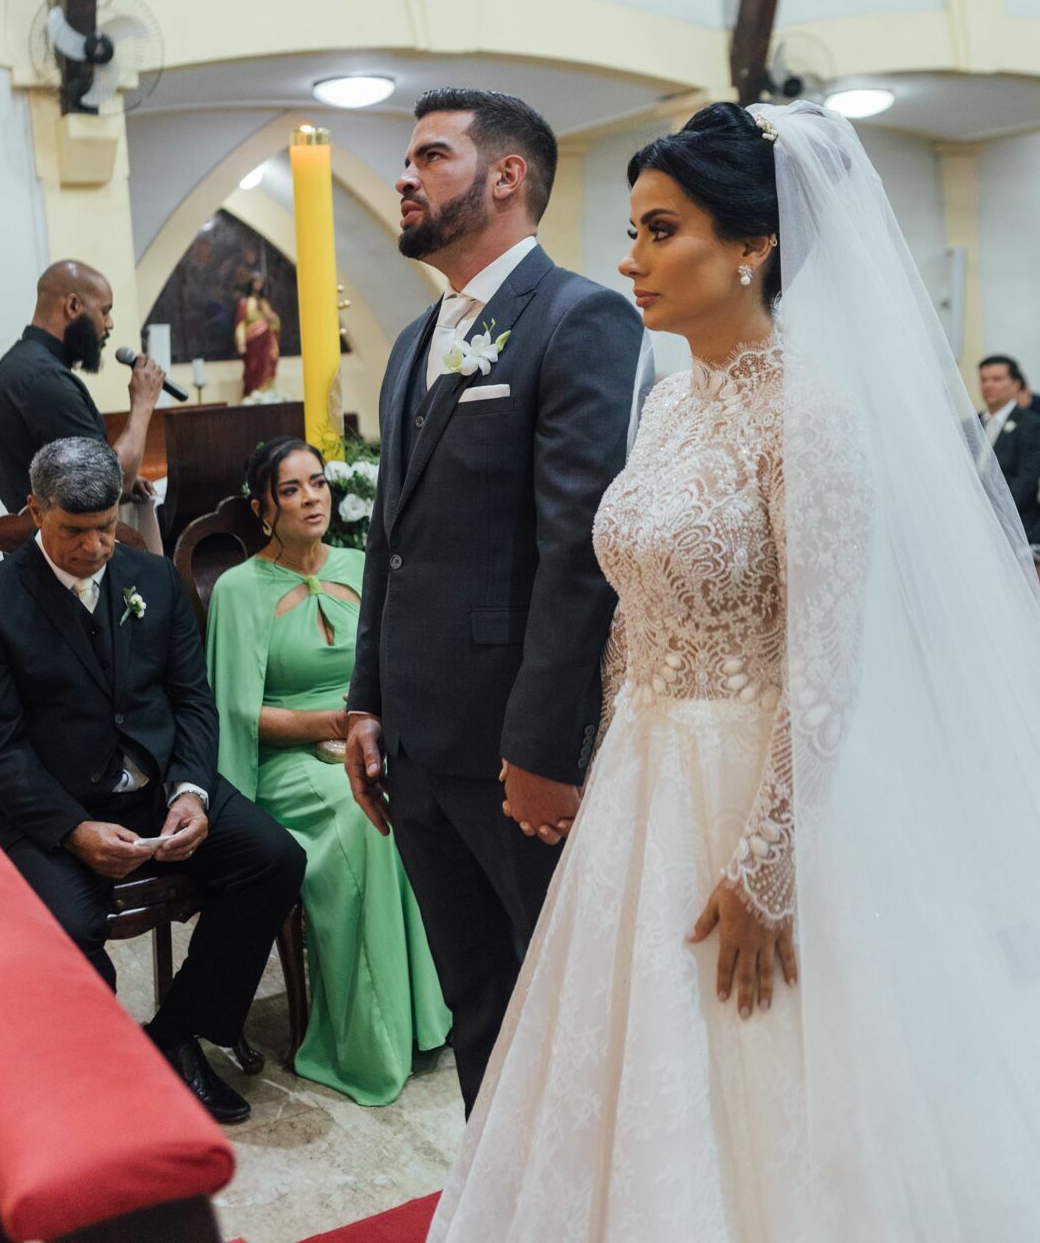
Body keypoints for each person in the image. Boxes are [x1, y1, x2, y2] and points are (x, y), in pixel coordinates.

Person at [429, 101, 1040, 1242]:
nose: (630, 257)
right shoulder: (665, 404)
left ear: (751, 244)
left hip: (763, 784)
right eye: (631, 230)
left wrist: (766, 863)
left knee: (763, 1073)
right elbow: (630, 604)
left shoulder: (809, 414)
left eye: (661, 230)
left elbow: (824, 659)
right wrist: (603, 751)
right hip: (641, 779)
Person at [345, 87, 650, 1115]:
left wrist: (542, 751)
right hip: (418, 746)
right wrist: (363, 699)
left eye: (429, 155)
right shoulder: (411, 341)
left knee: (560, 1006)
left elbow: (579, 553)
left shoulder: (578, 317)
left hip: (515, 753)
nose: (403, 174)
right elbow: (387, 541)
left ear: (504, 176)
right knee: (478, 1001)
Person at [0, 437, 305, 1125]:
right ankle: (102, 1079)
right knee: (67, 927)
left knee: (273, 860)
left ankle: (178, 1033)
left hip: (157, 786)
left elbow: (191, 699)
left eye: (104, 528)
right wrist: (72, 829)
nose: (97, 548)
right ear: (36, 510)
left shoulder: (151, 578)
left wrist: (190, 791)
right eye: (75, 531)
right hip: (48, 805)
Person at [205, 437, 450, 1104]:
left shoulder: (359, 564)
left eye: (317, 483)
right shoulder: (237, 589)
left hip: (368, 739)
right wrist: (333, 725)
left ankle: (432, 1015)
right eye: (291, 489)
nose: (311, 497)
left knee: (426, 801)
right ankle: (363, 1039)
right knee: (360, 820)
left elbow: (396, 662)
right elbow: (238, 713)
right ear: (264, 506)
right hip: (286, 765)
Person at [0, 260, 164, 514]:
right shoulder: (44, 380)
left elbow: (72, 484)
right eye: (104, 311)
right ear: (73, 306)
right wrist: (143, 404)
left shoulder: (19, 364)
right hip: (62, 551)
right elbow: (108, 485)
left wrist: (127, 480)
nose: (109, 324)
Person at [978, 353, 1040, 543]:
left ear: (1015, 384)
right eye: (983, 379)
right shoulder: (970, 425)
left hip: (1013, 528)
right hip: (971, 524)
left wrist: (987, 514)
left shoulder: (1031, 425)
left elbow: (1026, 482)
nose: (988, 385)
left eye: (997, 379)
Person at [235, 273, 282, 397]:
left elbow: (274, 322)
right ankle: (253, 392)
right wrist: (241, 342)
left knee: (267, 363)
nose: (258, 285)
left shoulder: (264, 302)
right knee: (253, 366)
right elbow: (241, 323)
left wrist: (272, 318)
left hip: (266, 340)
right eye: (256, 282)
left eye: (260, 283)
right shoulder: (245, 302)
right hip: (252, 340)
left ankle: (265, 389)